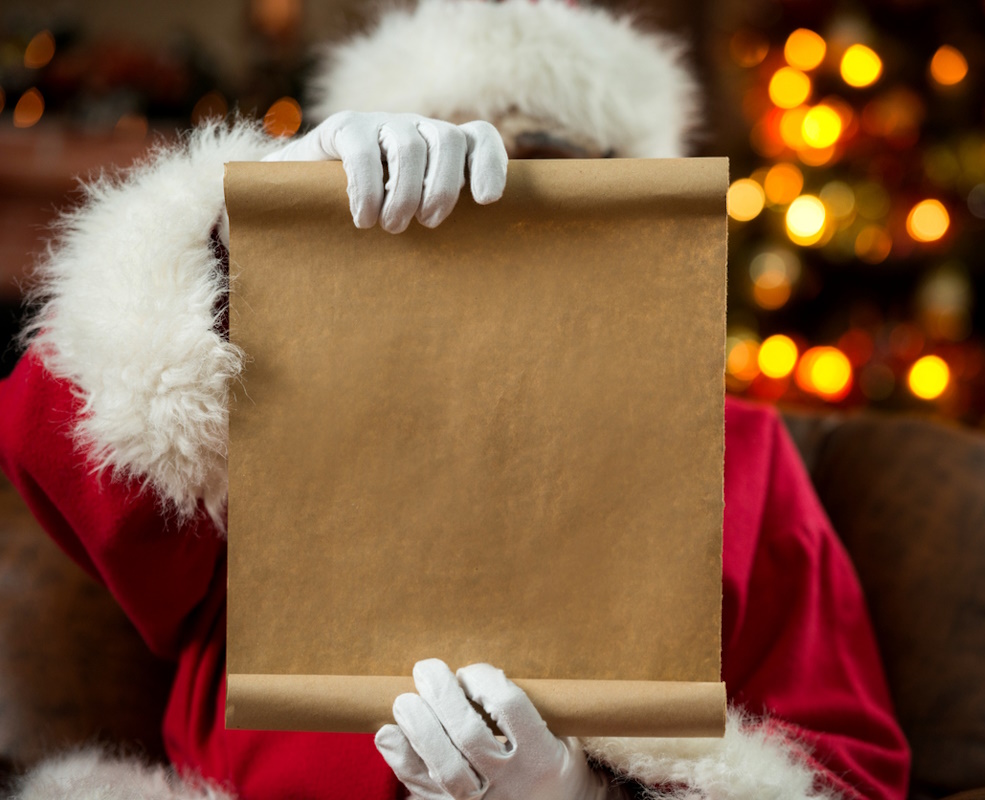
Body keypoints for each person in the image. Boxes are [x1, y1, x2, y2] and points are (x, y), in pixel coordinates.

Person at [0, 1, 911, 798]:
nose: (486, 203)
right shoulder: (256, 395)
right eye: (425, 166)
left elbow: (842, 768)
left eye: (539, 166)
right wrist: (231, 238)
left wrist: (583, 797)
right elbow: (64, 446)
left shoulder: (738, 451)